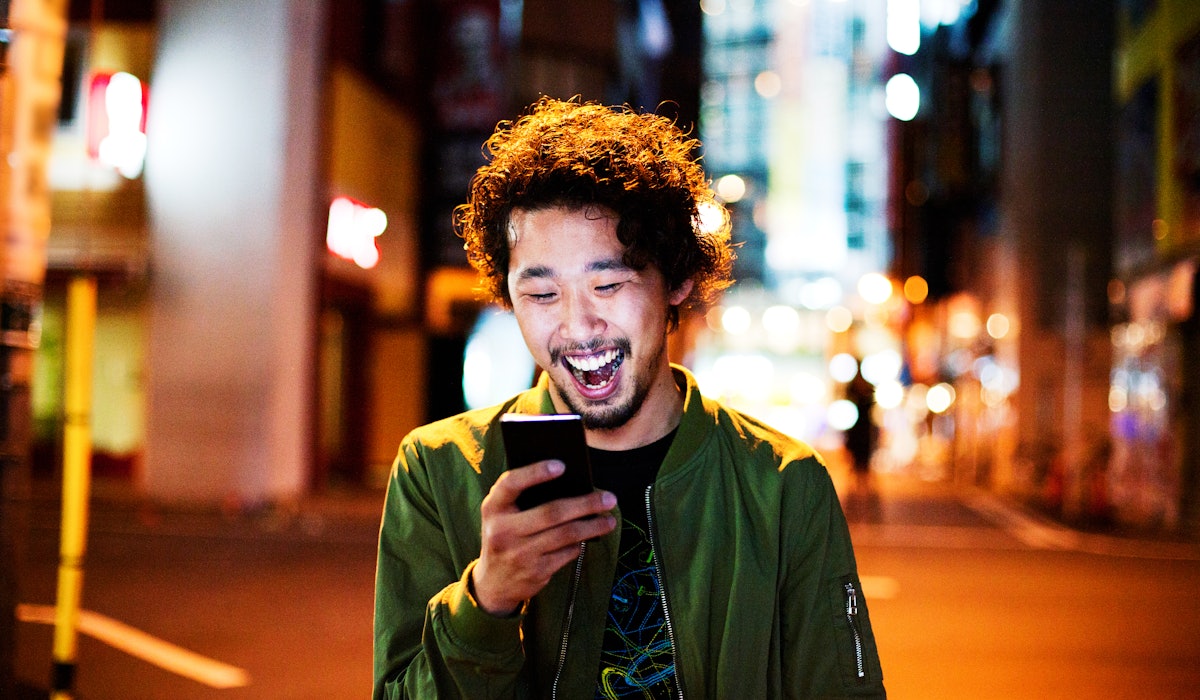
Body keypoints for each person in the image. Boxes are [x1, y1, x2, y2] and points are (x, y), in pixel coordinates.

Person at [373, 97, 886, 699]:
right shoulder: (439, 471)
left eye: (608, 284)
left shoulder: (781, 486)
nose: (578, 325)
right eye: (541, 295)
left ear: (677, 279)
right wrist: (487, 599)